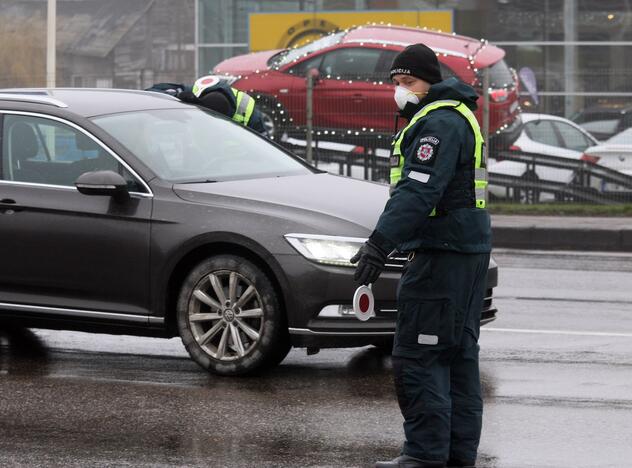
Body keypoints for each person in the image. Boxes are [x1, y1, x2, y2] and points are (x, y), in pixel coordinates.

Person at [350, 44, 492, 468]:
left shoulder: (439, 123)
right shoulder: (458, 115)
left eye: (408, 82)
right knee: (457, 356)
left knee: (419, 353)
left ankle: (425, 455)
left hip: (442, 254)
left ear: (430, 81)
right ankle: (455, 455)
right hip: (466, 252)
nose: (401, 91)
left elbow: (418, 190)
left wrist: (379, 244)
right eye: (396, 83)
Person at [145, 75, 267, 135]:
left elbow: (265, 146)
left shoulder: (247, 108)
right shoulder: (193, 95)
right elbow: (150, 93)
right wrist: (177, 97)